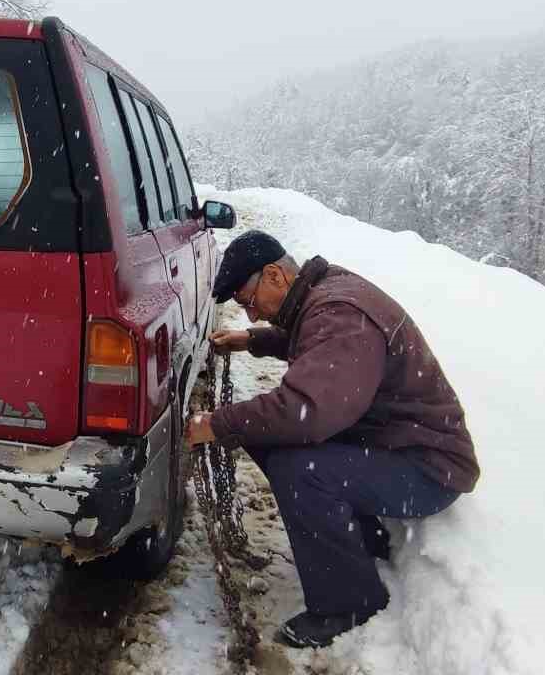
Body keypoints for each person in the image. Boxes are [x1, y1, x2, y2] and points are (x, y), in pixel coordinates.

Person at [185, 230, 480, 648]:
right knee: (268, 437)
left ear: (274, 275)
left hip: (428, 468)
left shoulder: (339, 312)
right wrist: (253, 341)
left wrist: (216, 424)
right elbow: (311, 340)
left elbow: (305, 411)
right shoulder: (325, 294)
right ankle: (358, 538)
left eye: (248, 304)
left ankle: (349, 602)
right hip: (395, 444)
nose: (250, 316)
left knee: (297, 465)